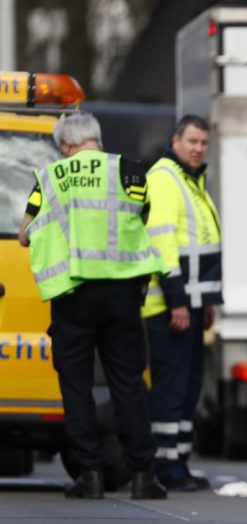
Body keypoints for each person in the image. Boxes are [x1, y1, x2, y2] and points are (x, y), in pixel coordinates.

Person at [18, 112, 168, 500]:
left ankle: (90, 474)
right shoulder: (130, 171)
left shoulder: (51, 177)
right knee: (128, 383)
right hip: (122, 293)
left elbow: (24, 233)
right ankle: (142, 474)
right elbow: (142, 215)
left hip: (74, 295)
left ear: (65, 146)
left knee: (77, 386)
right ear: (97, 139)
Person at [142, 115, 222, 491]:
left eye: (204, 143)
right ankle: (164, 466)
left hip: (189, 304)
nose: (198, 148)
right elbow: (162, 243)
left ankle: (179, 463)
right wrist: (176, 300)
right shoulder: (164, 178)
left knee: (189, 388)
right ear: (175, 140)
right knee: (171, 389)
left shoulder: (191, 181)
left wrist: (204, 302)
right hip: (168, 307)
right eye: (192, 141)